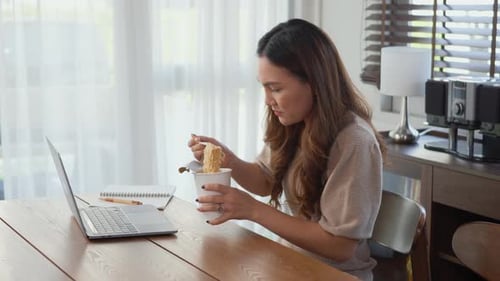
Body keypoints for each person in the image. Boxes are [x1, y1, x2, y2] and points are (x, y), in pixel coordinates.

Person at [188, 18, 386, 281]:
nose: (268, 101)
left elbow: (340, 246)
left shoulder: (355, 143)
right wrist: (229, 160)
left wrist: (254, 210)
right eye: (264, 87)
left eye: (276, 88)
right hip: (290, 264)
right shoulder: (293, 122)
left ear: (314, 83)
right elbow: (265, 180)